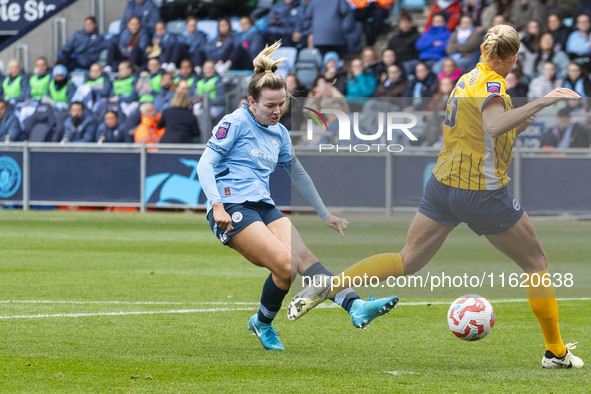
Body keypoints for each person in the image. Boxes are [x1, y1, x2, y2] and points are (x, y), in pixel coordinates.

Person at [288, 24, 585, 369]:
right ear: (513, 58)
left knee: (408, 260)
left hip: (443, 185)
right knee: (536, 263)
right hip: (481, 191)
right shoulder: (493, 83)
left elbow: (489, 128)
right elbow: (493, 125)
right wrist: (544, 100)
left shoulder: (467, 77)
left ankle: (332, 285)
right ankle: (556, 352)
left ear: (482, 52)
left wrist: (526, 115)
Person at [196, 42, 397, 351]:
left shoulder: (279, 133)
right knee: (286, 266)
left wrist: (324, 214)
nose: (278, 111)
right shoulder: (234, 122)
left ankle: (355, 307)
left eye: (282, 104)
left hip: (263, 206)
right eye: (270, 105)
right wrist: (217, 205)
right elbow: (205, 164)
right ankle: (262, 324)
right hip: (231, 206)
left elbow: (298, 173)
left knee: (305, 259)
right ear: (251, 102)